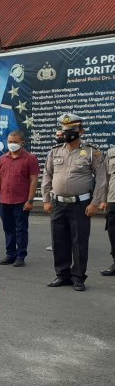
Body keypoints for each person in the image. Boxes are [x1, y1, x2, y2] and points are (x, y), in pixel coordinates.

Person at [41, 114, 107, 291]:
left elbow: (101, 179)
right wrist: (46, 199)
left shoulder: (92, 152)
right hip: (58, 204)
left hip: (81, 205)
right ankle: (62, 275)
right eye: (65, 130)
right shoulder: (55, 151)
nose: (67, 133)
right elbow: (47, 175)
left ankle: (78, 277)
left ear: (81, 131)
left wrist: (95, 203)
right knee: (59, 241)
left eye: (71, 130)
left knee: (79, 242)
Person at [0, 130, 40, 267]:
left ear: (22, 142)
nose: (11, 144)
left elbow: (33, 180)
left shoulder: (30, 158)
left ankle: (20, 256)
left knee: (21, 230)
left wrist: (30, 201)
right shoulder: (3, 159)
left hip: (21, 202)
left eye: (14, 142)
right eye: (9, 142)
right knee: (8, 229)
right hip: (4, 201)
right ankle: (10, 254)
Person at [102, 145, 115, 276]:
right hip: (113, 199)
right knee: (113, 233)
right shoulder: (111, 153)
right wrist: (104, 200)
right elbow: (105, 178)